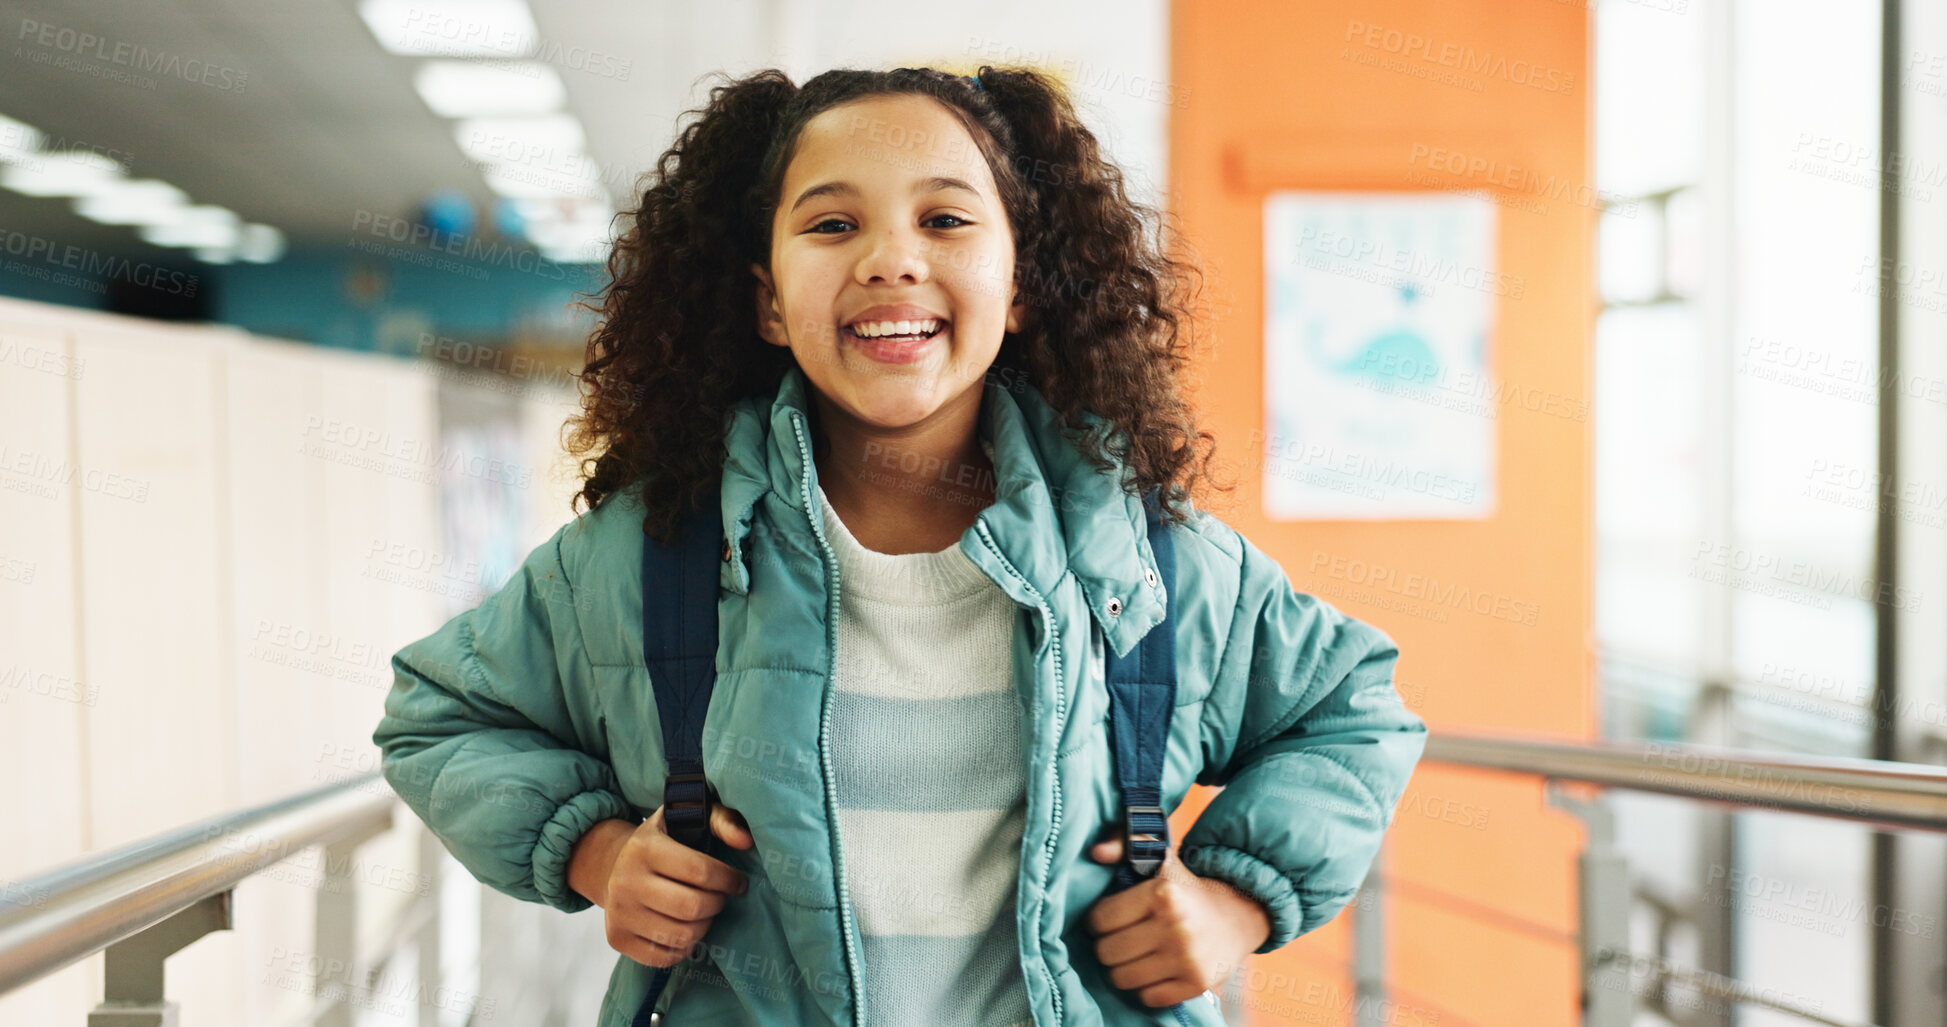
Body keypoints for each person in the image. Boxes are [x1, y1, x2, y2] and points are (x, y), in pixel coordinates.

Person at [372, 64, 1428, 1027]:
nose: (890, 259)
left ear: (1019, 286)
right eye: (832, 225)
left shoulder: (1146, 562)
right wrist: (599, 854)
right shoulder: (654, 556)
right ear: (768, 301)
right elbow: (440, 714)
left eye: (945, 219)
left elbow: (1351, 709)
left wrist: (1237, 900)